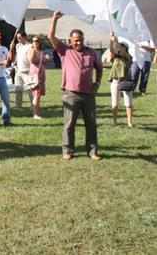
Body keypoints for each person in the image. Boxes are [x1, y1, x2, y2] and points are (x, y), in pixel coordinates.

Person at [48, 11, 103, 161]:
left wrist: (97, 83)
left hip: (88, 94)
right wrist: (54, 19)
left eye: (80, 40)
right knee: (69, 124)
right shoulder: (65, 51)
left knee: (91, 124)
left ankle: (92, 151)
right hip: (71, 94)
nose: (78, 43)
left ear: (83, 39)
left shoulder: (91, 52)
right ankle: (68, 150)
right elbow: (50, 37)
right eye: (75, 41)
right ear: (70, 41)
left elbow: (100, 68)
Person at [108, 33, 134, 127]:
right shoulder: (115, 58)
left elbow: (123, 51)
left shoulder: (128, 58)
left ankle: (130, 123)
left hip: (126, 82)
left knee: (128, 104)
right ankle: (115, 122)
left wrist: (116, 41)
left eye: (122, 47)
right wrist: (111, 40)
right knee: (114, 104)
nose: (119, 48)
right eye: (119, 47)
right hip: (115, 82)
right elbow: (111, 49)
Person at [27, 36, 51, 120]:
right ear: (31, 43)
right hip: (34, 76)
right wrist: (33, 50)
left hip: (41, 75)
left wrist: (47, 59)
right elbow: (31, 60)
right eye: (33, 41)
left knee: (38, 95)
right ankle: (35, 114)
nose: (35, 42)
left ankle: (37, 112)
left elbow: (43, 63)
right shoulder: (30, 51)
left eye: (37, 41)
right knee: (36, 95)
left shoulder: (41, 52)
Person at [9, 30, 33, 108]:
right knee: (18, 88)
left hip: (27, 71)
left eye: (19, 37)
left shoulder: (29, 46)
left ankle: (33, 105)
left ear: (24, 37)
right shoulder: (17, 45)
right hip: (19, 71)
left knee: (30, 89)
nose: (18, 39)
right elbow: (17, 56)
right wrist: (14, 62)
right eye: (17, 38)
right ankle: (18, 106)